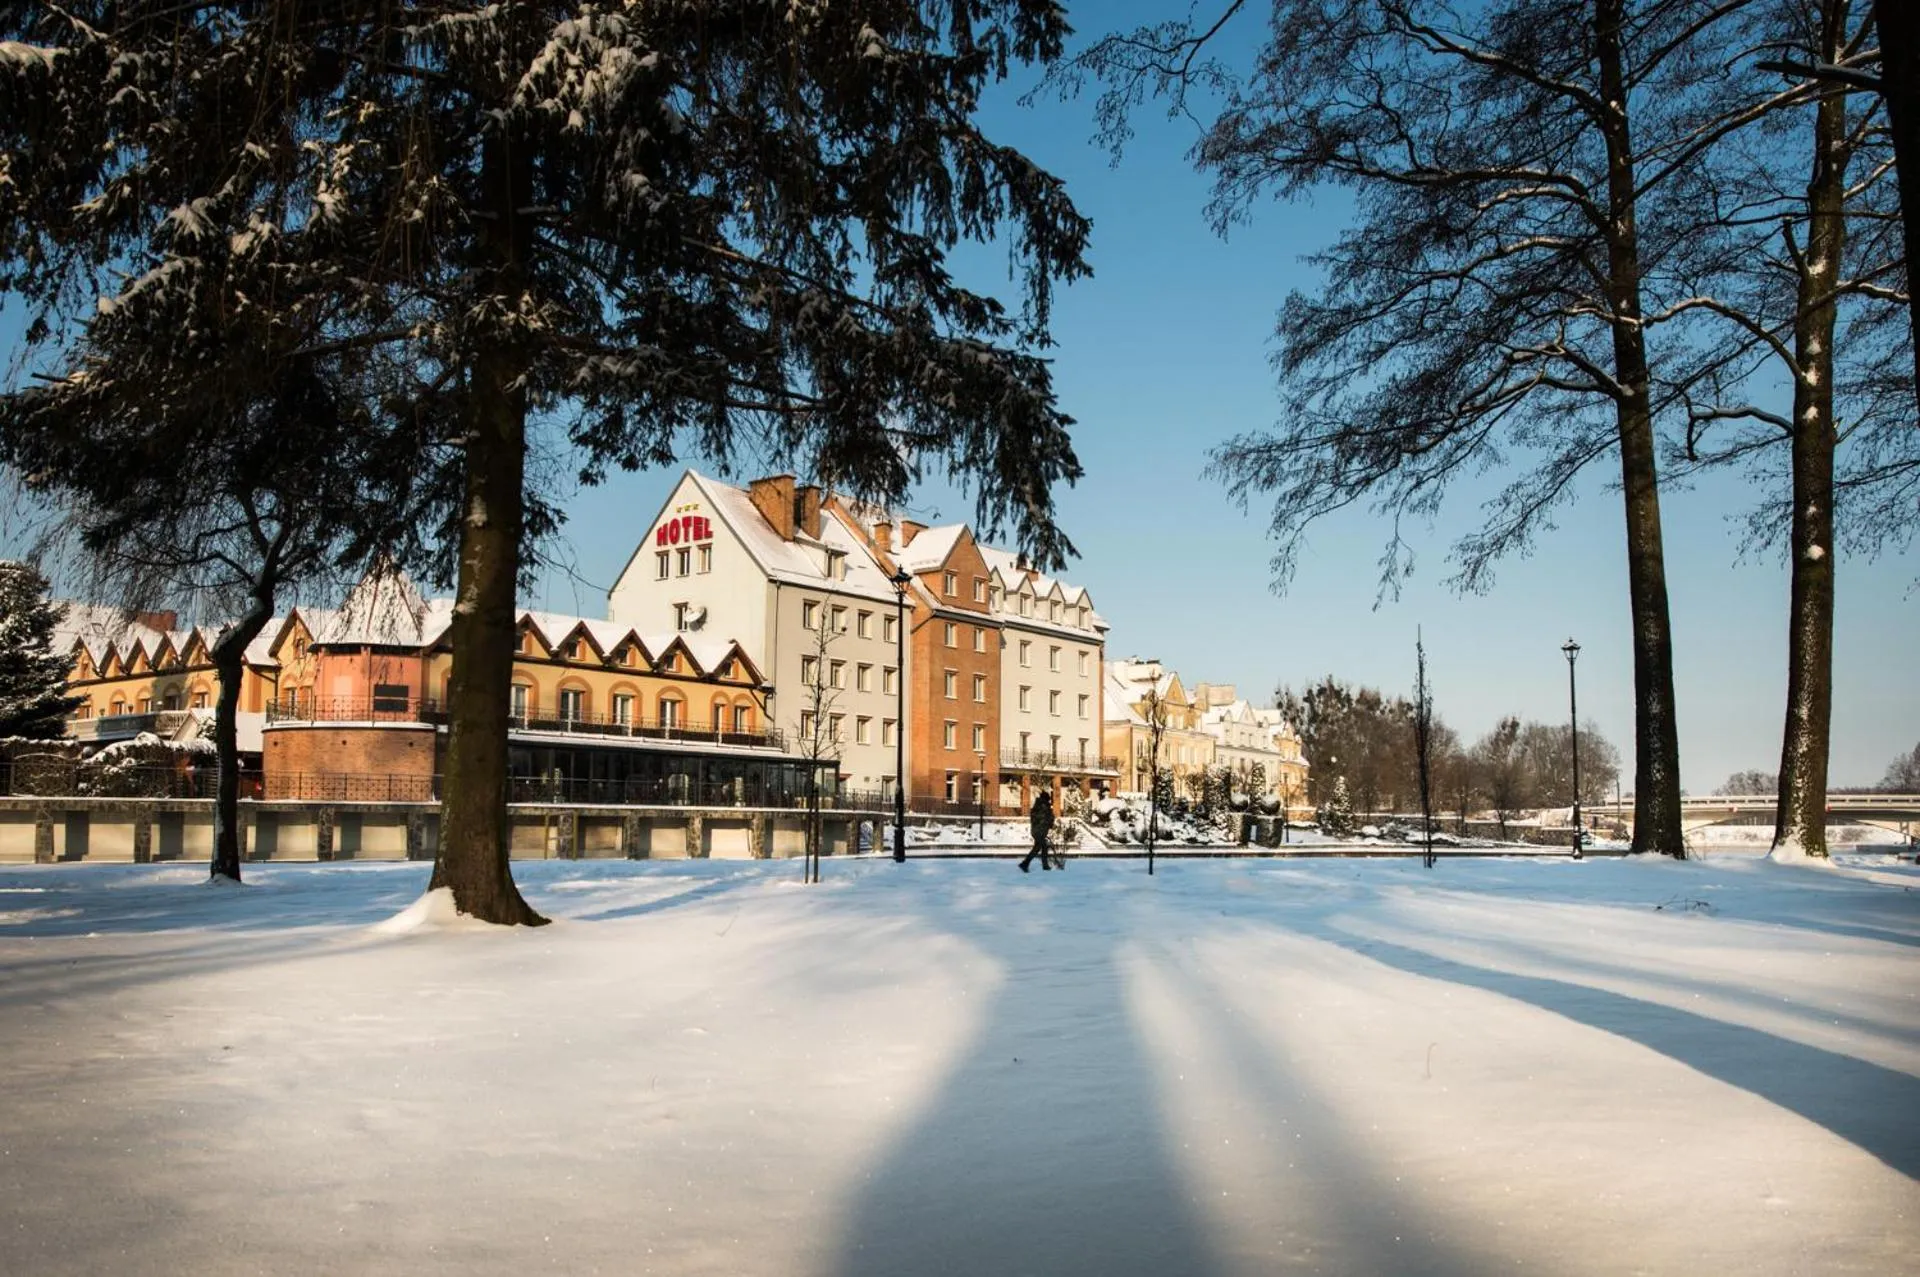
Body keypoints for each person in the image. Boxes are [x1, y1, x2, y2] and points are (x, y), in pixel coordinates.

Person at [1020, 791, 1057, 873]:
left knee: (1042, 847)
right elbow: (1045, 819)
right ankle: (1025, 864)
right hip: (1039, 831)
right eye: (1048, 799)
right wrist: (1050, 819)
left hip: (1038, 830)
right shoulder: (1043, 806)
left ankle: (1044, 865)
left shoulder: (1038, 806)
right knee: (1039, 847)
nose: (1049, 801)